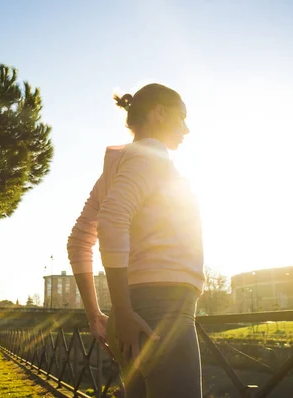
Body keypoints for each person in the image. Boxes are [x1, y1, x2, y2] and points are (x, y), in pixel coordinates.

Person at [67, 83, 204, 398]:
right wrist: (123, 310)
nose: (187, 128)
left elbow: (78, 241)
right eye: (181, 117)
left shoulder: (113, 172)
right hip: (163, 312)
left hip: (130, 315)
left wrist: (98, 314)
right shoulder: (151, 155)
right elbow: (112, 221)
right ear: (158, 113)